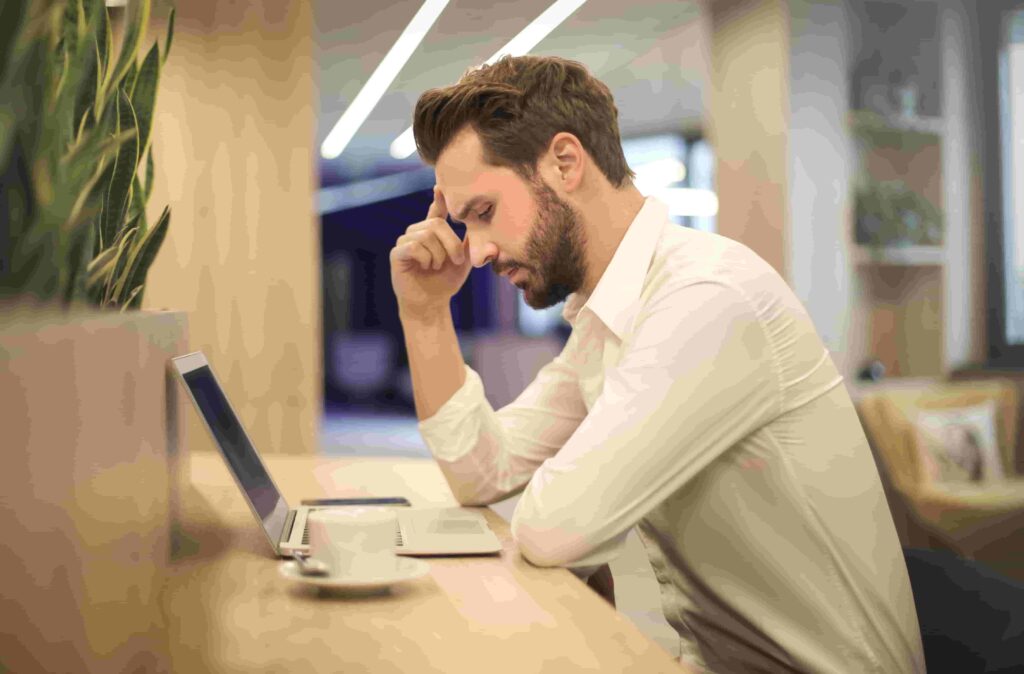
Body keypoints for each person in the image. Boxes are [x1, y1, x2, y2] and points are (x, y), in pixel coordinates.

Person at [388, 54, 925, 673]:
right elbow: (483, 473)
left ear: (564, 163)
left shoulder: (706, 298)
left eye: (483, 212)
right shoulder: (608, 315)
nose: (475, 250)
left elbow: (553, 528)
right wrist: (425, 316)